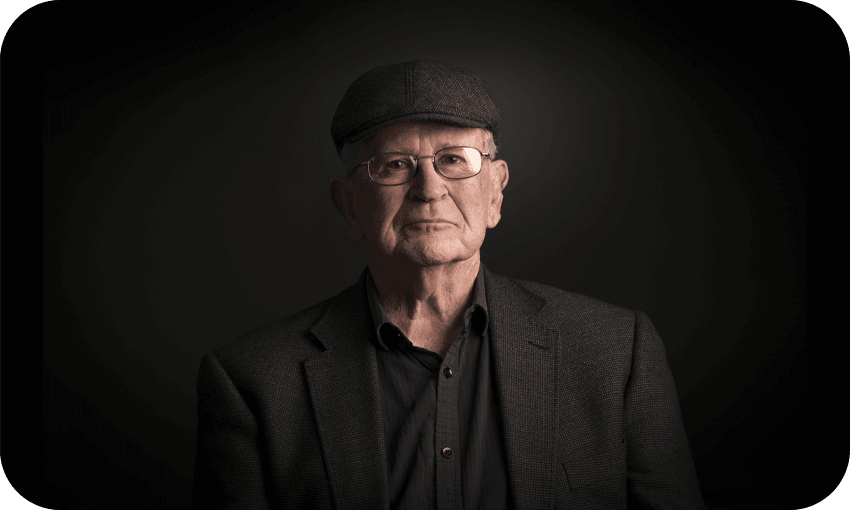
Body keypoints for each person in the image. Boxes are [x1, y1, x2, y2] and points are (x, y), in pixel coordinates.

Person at [191, 59, 705, 510]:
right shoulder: (251, 382)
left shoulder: (616, 352)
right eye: (395, 165)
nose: (429, 190)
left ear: (496, 191)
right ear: (349, 204)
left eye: (454, 160)